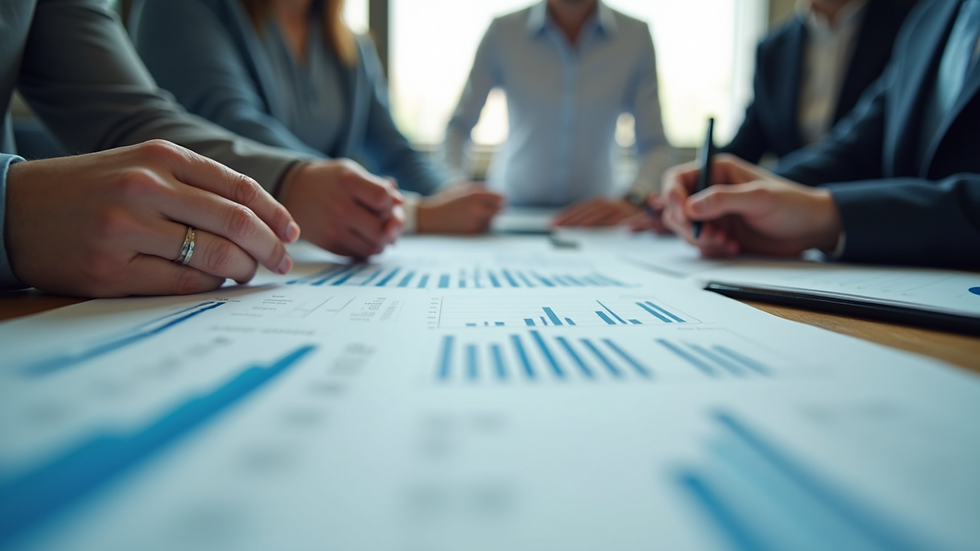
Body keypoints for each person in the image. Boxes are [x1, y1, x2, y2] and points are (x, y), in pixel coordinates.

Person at [1, 0, 407, 298]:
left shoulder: (350, 45)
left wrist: (292, 178)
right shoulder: (192, 10)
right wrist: (10, 207)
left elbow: (131, 118)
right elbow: (227, 117)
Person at [651, 0, 980, 269]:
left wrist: (828, 215)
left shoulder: (903, 14)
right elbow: (851, 150)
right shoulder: (931, 18)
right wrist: (741, 195)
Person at [130, 0, 504, 235]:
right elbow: (232, 126)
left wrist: (452, 195)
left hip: (310, 259)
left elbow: (394, 150)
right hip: (210, 246)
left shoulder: (351, 46)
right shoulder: (186, 8)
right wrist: (413, 213)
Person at [444, 0, 674, 229]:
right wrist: (456, 190)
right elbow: (458, 127)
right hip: (511, 214)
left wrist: (633, 199)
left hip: (599, 223)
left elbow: (655, 144)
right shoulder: (503, 31)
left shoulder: (635, 36)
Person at [722, 0, 918, 164]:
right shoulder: (772, 49)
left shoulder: (911, 23)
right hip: (789, 204)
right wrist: (705, 172)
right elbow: (750, 142)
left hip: (870, 204)